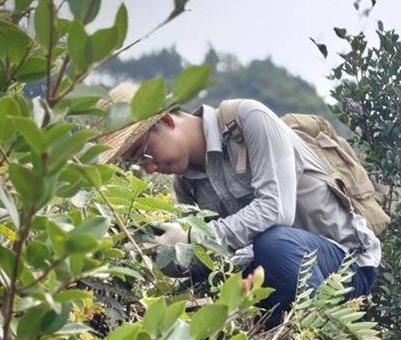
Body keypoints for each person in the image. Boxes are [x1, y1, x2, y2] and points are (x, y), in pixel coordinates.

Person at [100, 97, 381, 326]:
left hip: (343, 267)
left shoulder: (249, 120)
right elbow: (207, 260)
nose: (149, 168)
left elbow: (275, 211)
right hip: (270, 272)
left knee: (274, 244)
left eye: (144, 152)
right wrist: (161, 252)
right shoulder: (186, 183)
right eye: (136, 163)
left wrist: (192, 235)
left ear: (165, 120)